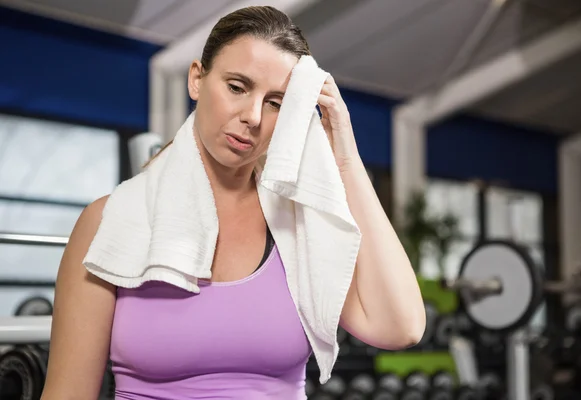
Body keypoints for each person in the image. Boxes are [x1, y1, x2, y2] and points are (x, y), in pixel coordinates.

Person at [40, 5, 426, 400]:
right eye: (237, 87)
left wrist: (344, 155)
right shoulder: (109, 221)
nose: (253, 116)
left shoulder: (300, 227)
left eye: (276, 102)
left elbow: (401, 327)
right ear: (197, 79)